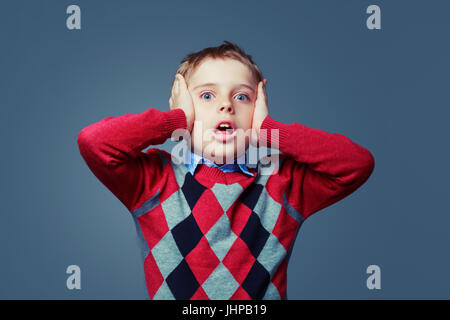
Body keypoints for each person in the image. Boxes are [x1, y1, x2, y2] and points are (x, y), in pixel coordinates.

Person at [77, 41, 375, 300]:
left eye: (242, 96)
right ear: (181, 107)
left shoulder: (282, 183)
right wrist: (175, 119)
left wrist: (269, 131)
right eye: (207, 95)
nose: (226, 106)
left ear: (257, 110)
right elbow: (94, 142)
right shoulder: (153, 181)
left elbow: (356, 163)